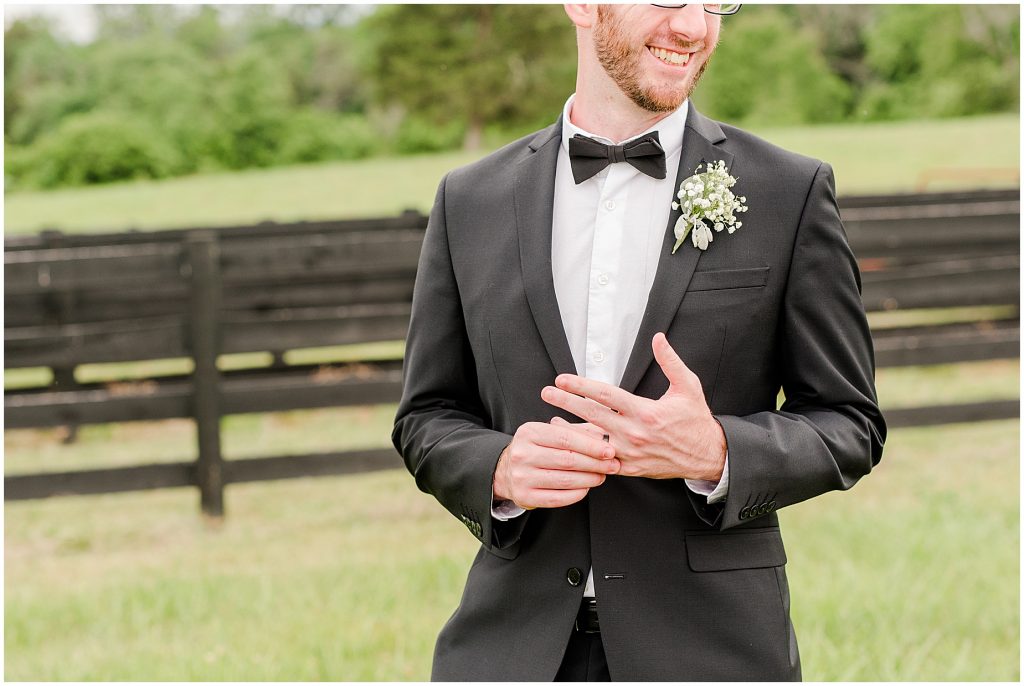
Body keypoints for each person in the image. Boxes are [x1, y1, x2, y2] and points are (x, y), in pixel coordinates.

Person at [392, 3, 886, 681]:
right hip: (511, 653)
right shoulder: (468, 200)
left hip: (713, 651)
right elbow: (425, 417)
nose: (692, 26)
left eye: (713, 1)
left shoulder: (788, 192)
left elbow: (850, 424)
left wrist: (717, 453)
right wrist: (499, 469)